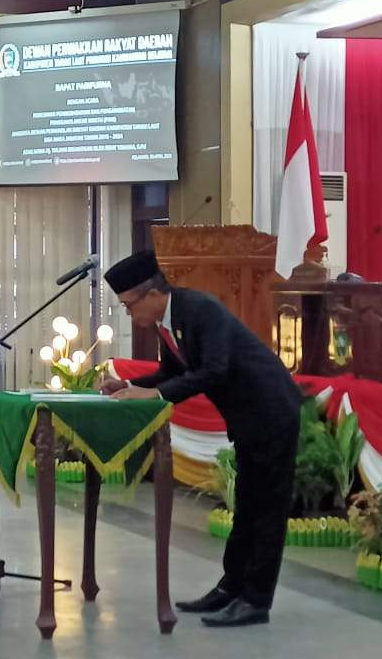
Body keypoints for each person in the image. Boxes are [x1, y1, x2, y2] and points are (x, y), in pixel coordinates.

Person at [101, 249, 301, 628]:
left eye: (128, 306)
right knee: (246, 505)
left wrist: (156, 396)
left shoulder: (200, 310)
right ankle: (231, 588)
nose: (130, 314)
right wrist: (126, 385)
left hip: (271, 412)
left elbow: (213, 370)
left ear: (151, 294)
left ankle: (255, 600)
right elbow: (171, 371)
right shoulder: (169, 320)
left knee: (266, 509)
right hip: (247, 419)